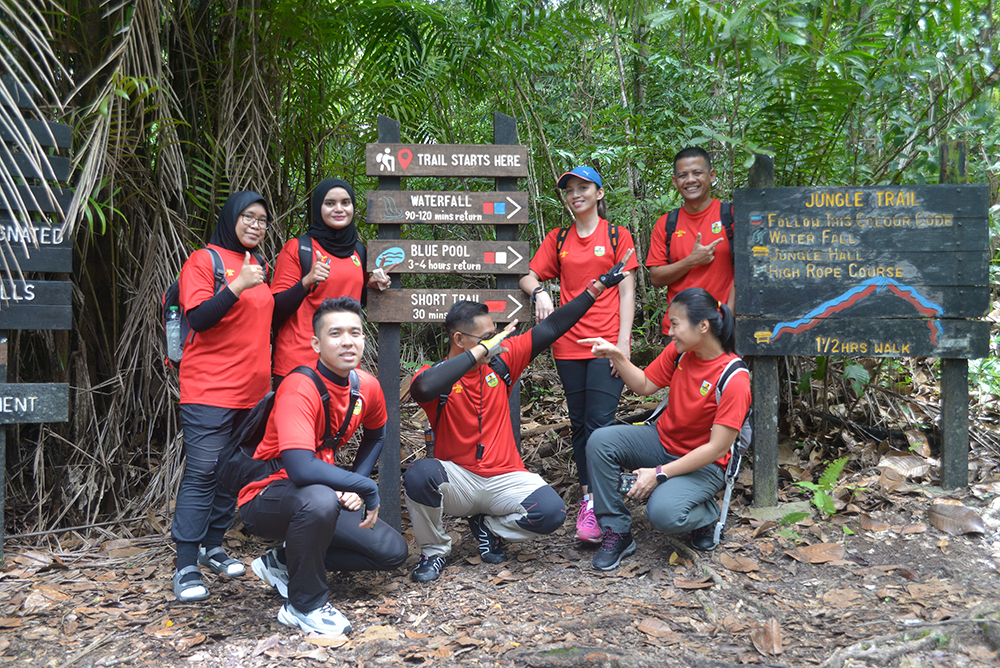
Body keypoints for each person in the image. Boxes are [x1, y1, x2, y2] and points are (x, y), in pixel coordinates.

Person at [403, 259, 631, 584]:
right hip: (460, 482)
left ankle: (490, 527)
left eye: (494, 335)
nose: (495, 342)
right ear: (460, 340)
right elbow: (422, 388)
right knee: (418, 474)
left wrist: (596, 288)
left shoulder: (502, 361)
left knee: (551, 513)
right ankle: (434, 551)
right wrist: (477, 355)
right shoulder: (435, 377)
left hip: (504, 479)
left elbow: (552, 327)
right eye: (486, 338)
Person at [239, 297, 408, 636]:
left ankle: (282, 562)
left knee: (392, 551)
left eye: (355, 333)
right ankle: (305, 604)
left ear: (364, 339)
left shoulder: (366, 387)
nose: (348, 341)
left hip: (323, 494)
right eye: (336, 333)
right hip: (266, 495)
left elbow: (376, 436)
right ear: (316, 343)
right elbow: (301, 468)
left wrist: (354, 482)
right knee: (317, 500)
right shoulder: (299, 387)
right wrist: (365, 486)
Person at [580, 287, 751, 570]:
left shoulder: (734, 378)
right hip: (662, 442)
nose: (669, 332)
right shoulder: (680, 352)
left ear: (703, 326)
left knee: (663, 514)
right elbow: (644, 385)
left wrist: (658, 475)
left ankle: (707, 515)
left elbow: (717, 448)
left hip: (705, 465)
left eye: (675, 324)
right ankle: (617, 532)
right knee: (600, 441)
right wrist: (617, 355)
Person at [519, 166, 638, 545]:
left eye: (583, 187)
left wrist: (624, 345)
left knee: (601, 423)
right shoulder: (558, 239)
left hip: (606, 345)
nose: (575, 194)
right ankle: (590, 500)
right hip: (569, 345)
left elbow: (626, 291)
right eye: (569, 189)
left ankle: (607, 504)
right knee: (581, 424)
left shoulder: (617, 235)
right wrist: (540, 292)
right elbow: (529, 275)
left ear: (599, 193)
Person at [172, 191, 274, 602]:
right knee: (201, 474)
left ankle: (213, 546)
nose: (255, 224)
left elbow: (267, 316)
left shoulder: (261, 265)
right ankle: (185, 567)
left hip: (252, 393)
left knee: (233, 472)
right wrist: (236, 285)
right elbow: (198, 317)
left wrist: (303, 286)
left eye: (262, 219)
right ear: (231, 217)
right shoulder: (204, 260)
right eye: (248, 216)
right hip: (209, 391)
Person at [271, 178, 392, 382]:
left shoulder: (359, 251)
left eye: (345, 202)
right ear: (318, 208)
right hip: (300, 364)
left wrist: (371, 287)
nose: (339, 209)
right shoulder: (299, 248)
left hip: (343, 362)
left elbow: (351, 301)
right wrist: (306, 282)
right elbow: (276, 308)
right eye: (330, 203)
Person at [646, 147, 735, 335]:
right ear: (675, 181)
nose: (690, 180)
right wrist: (691, 261)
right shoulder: (666, 224)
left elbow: (745, 272)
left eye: (697, 173)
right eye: (683, 175)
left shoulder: (731, 216)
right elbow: (655, 278)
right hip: (678, 331)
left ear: (711, 175)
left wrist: (729, 321)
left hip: (721, 326)